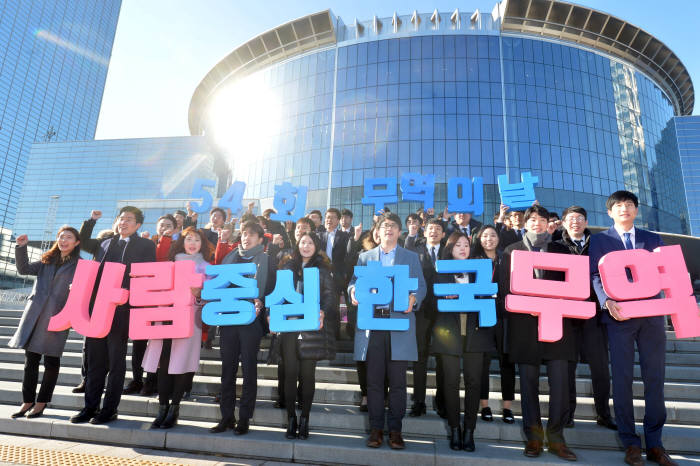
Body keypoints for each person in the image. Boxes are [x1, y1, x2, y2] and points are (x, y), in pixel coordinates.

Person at [590, 191, 676, 466]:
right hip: (619, 318)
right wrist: (606, 300)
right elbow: (594, 274)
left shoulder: (652, 239)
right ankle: (630, 443)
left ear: (636, 211)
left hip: (651, 318)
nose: (624, 209)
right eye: (618, 205)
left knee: (655, 379)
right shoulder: (601, 240)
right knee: (623, 380)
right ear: (610, 212)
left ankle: (655, 443)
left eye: (629, 205)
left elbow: (666, 272)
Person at [502, 205, 577, 461]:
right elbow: (504, 291)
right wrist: (527, 306)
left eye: (541, 219)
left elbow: (575, 288)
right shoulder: (512, 252)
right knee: (528, 385)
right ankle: (533, 438)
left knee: (560, 386)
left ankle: (557, 438)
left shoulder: (562, 250)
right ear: (524, 223)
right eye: (531, 219)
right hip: (525, 328)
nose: (536, 223)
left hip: (557, 328)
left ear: (549, 224)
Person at [71, 206, 156, 425]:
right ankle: (89, 407)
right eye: (121, 218)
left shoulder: (146, 245)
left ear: (138, 225)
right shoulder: (105, 243)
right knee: (95, 362)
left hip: (122, 311)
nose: (123, 222)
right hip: (97, 310)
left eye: (129, 219)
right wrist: (91, 220)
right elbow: (83, 239)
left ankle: (109, 410)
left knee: (116, 364)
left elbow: (147, 275)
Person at [349, 212, 426, 450]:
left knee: (398, 382)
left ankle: (395, 430)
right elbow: (354, 282)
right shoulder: (365, 257)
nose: (389, 230)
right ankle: (375, 429)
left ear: (400, 232)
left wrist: (415, 297)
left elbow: (421, 285)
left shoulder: (411, 257)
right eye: (385, 226)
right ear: (378, 232)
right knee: (373, 382)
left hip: (399, 325)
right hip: (373, 326)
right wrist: (352, 292)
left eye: (393, 226)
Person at [142, 227, 212, 429]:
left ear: (202, 244)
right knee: (163, 364)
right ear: (181, 242)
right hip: (165, 317)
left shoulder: (207, 267)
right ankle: (162, 408)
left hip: (190, 319)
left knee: (181, 365)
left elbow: (209, 298)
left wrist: (198, 294)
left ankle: (174, 408)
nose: (192, 243)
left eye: (196, 240)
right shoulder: (169, 265)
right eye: (188, 239)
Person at [432, 231, 495, 451]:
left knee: (473, 383)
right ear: (449, 248)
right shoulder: (440, 272)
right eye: (458, 244)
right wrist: (443, 296)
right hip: (449, 335)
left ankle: (469, 430)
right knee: (450, 383)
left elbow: (488, 297)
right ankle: (454, 429)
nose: (462, 248)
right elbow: (432, 303)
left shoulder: (479, 271)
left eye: (466, 245)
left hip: (475, 335)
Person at [9, 227, 81, 419]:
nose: (63, 240)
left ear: (76, 243)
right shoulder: (46, 259)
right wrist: (21, 247)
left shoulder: (80, 264)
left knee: (51, 360)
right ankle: (27, 401)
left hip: (58, 315)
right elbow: (23, 269)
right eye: (61, 236)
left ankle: (41, 403)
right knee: (30, 360)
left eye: (69, 237)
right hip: (36, 314)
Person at [557, 206, 616, 431]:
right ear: (563, 223)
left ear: (586, 221)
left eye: (580, 218)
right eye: (571, 219)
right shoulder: (556, 246)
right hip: (567, 315)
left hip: (594, 314)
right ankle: (567, 414)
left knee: (600, 367)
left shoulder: (599, 244)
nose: (575, 222)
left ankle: (603, 413)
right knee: (568, 367)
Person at [210, 221, 270, 435]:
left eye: (252, 235)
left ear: (260, 239)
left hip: (250, 321)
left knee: (249, 370)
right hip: (228, 320)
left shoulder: (264, 259)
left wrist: (261, 303)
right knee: (227, 370)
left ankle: (244, 418)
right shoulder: (230, 257)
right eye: (244, 234)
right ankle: (226, 417)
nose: (247, 238)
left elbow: (267, 289)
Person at [277, 232, 337, 439]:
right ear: (297, 245)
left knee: (307, 375)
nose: (306, 246)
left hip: (311, 328)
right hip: (289, 327)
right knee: (290, 373)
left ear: (316, 246)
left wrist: (323, 311)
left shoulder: (322, 271)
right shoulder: (287, 267)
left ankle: (305, 419)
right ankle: (291, 418)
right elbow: (277, 295)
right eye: (303, 242)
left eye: (310, 243)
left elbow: (330, 297)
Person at [472, 225, 516, 425]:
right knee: (482, 363)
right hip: (482, 316)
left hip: (505, 316)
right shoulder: (474, 260)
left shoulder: (506, 258)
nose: (489, 239)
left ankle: (507, 407)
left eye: (492, 235)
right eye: (485, 236)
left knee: (507, 362)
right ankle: (485, 405)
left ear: (499, 238)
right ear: (479, 239)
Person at [404, 218, 445, 418]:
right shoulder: (414, 252)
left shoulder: (449, 252)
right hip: (420, 312)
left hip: (444, 313)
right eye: (431, 228)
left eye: (438, 229)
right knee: (419, 357)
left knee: (443, 357)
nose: (434, 231)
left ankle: (442, 400)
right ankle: (418, 401)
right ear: (424, 232)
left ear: (444, 234)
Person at [72, 210, 117, 394]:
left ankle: (99, 379)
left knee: (106, 345)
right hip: (94, 299)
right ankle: (86, 378)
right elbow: (82, 238)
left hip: (113, 299)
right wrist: (91, 220)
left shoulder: (123, 249)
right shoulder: (98, 247)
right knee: (88, 344)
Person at [319, 208, 350, 338]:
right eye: (327, 217)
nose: (329, 220)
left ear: (338, 220)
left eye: (332, 217)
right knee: (323, 305)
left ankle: (336, 335)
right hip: (322, 276)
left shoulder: (345, 236)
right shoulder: (318, 236)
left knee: (336, 306)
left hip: (338, 276)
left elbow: (347, 257)